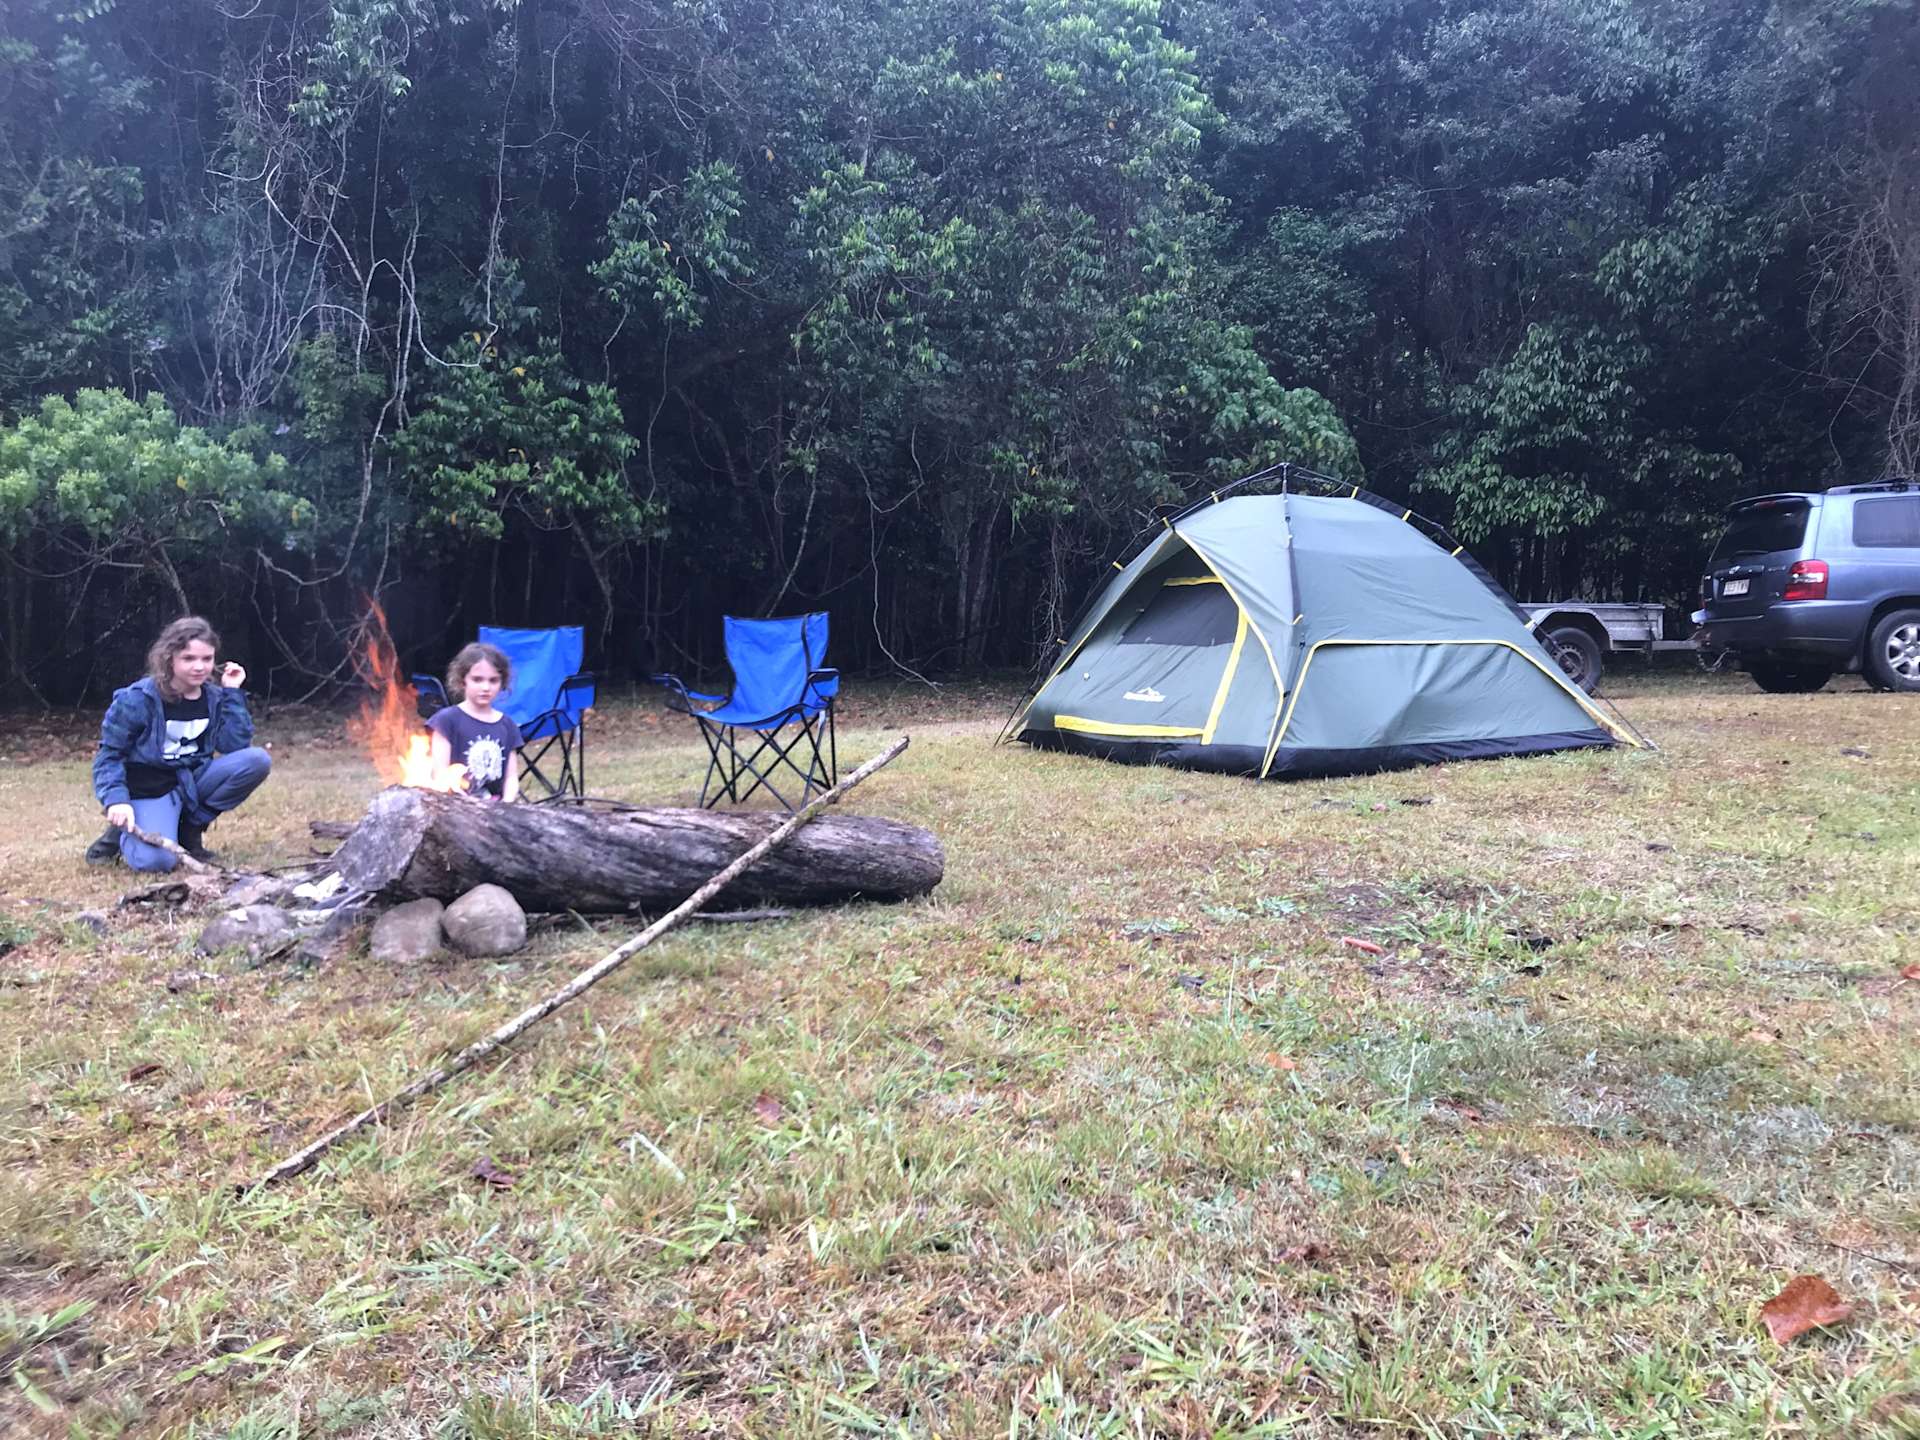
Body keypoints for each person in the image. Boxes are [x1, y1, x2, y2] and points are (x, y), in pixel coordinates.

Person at [87, 616, 273, 870]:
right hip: (149, 789)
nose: (199, 667)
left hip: (191, 782)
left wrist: (232, 693)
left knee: (256, 760)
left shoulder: (214, 698)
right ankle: (118, 835)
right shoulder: (136, 700)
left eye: (207, 659)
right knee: (157, 862)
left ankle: (189, 830)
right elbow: (109, 756)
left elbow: (235, 746)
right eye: (189, 659)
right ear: (169, 658)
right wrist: (116, 800)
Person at [426, 642, 523, 801]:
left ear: (502, 683)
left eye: (493, 680)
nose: (486, 687)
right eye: (477, 680)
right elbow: (440, 774)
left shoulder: (507, 725)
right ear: (462, 681)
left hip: (497, 810)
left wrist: (507, 805)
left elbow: (511, 777)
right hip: (456, 808)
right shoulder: (446, 721)